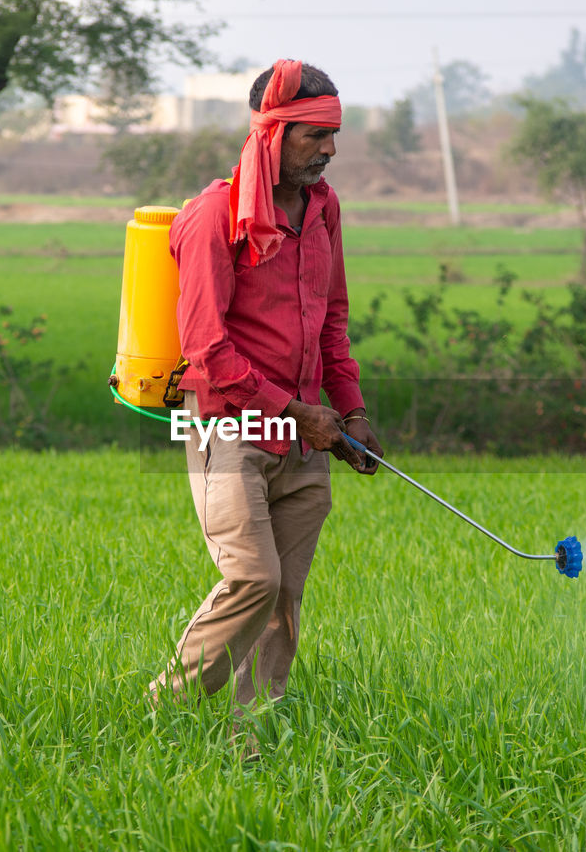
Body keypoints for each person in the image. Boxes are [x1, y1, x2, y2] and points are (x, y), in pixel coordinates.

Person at [150, 59, 383, 706]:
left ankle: (252, 741)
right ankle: (165, 707)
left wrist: (353, 412)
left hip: (306, 441)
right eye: (315, 134)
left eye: (334, 133)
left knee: (283, 601)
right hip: (233, 427)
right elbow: (207, 348)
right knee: (253, 579)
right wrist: (297, 411)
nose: (331, 149)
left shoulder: (324, 209)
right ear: (272, 134)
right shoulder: (210, 218)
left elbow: (332, 319)